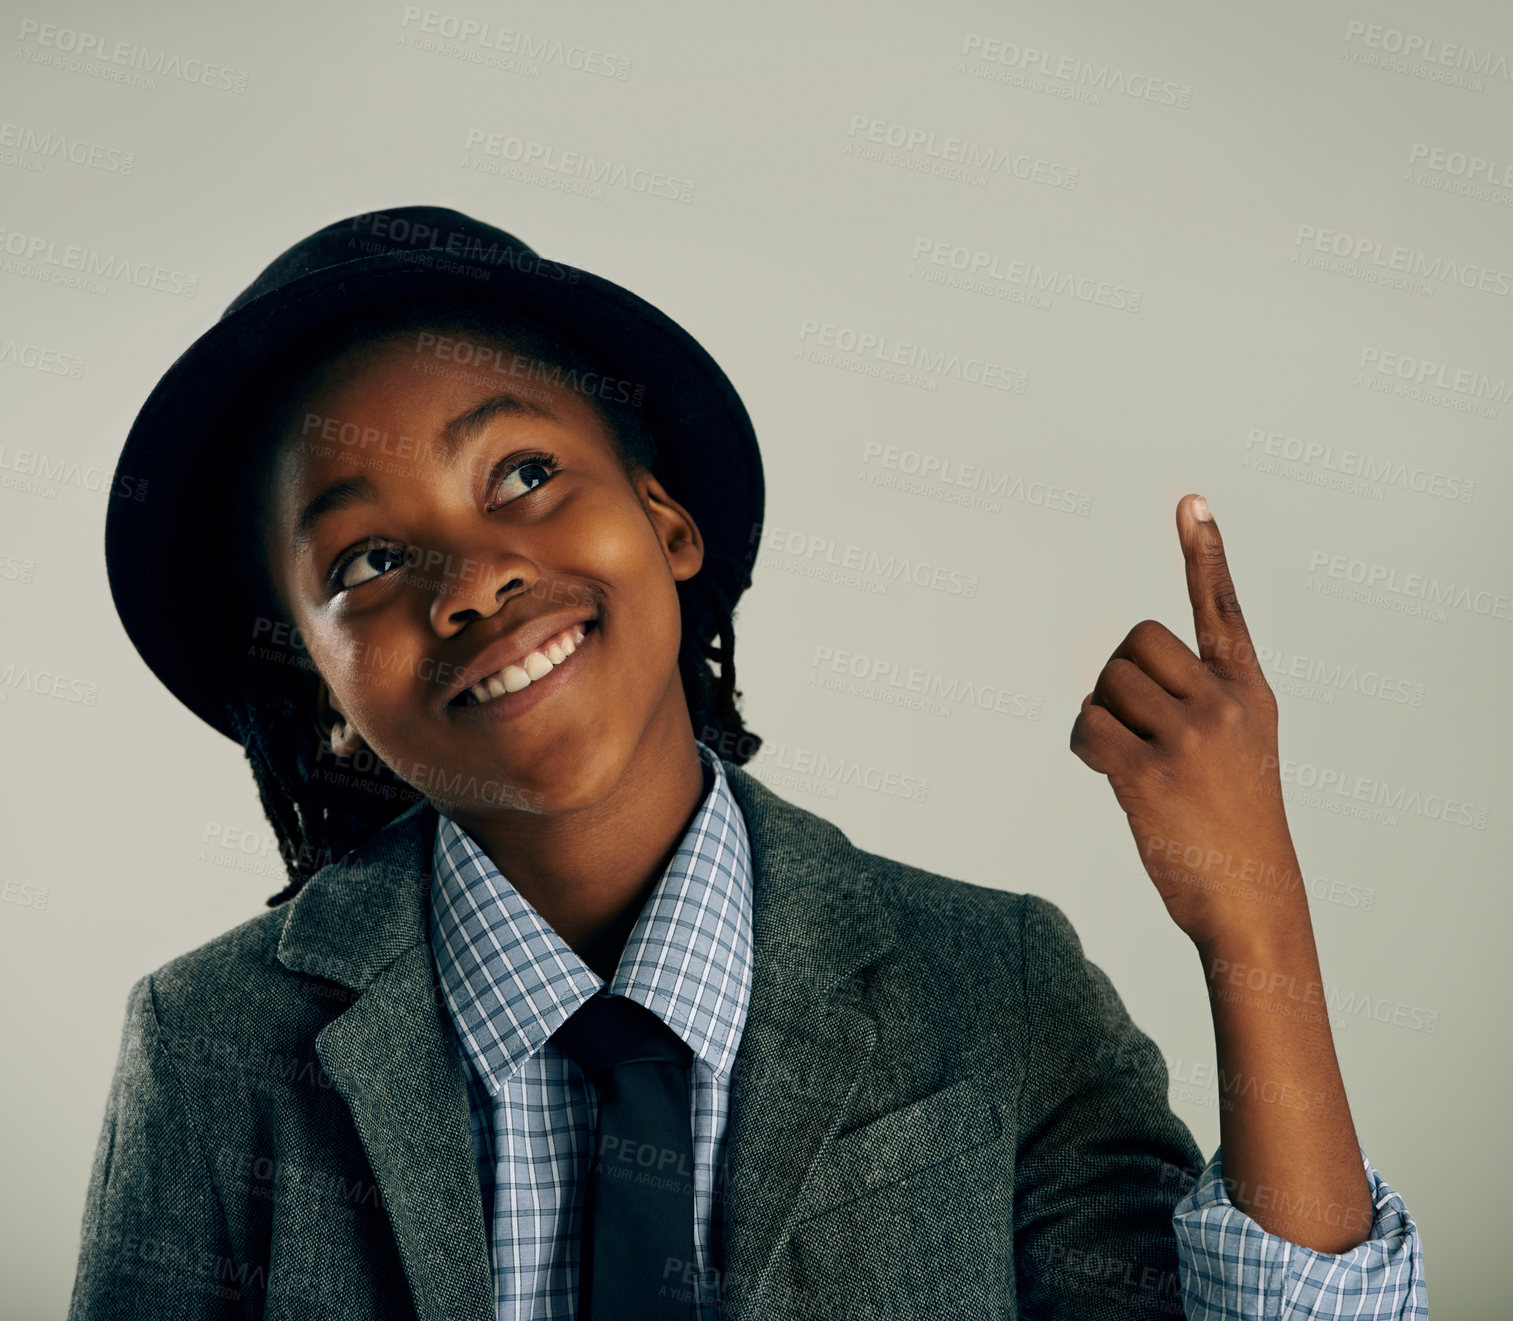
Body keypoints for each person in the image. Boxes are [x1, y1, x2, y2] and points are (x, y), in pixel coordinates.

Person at [71, 205, 1426, 1319]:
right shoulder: (215, 1049)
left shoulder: (994, 988)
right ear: (320, 692)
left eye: (524, 473)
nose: (473, 577)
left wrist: (1255, 916)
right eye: (368, 559)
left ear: (667, 524)